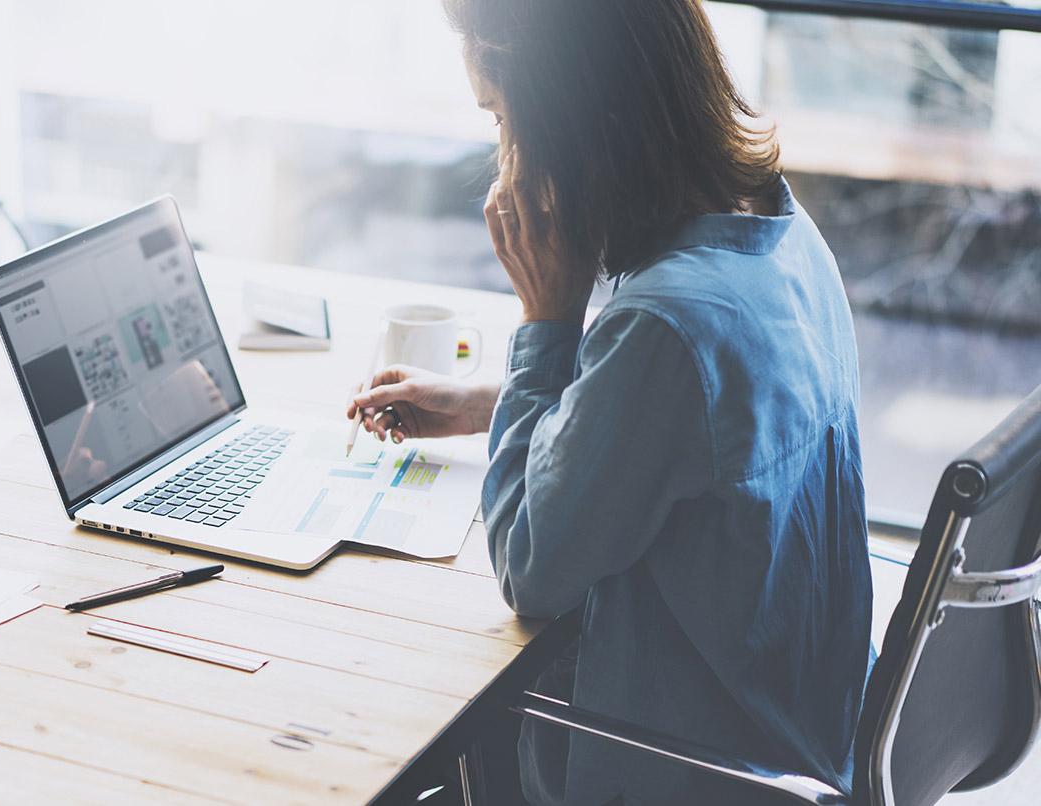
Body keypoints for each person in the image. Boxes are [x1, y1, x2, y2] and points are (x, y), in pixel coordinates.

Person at [346, 1, 872, 803]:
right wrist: (489, 402)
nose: (503, 156)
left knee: (383, 708)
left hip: (692, 766)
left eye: (501, 118)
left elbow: (529, 569)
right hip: (802, 725)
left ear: (571, 119)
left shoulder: (665, 324)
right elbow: (700, 423)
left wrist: (547, 323)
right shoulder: (781, 235)